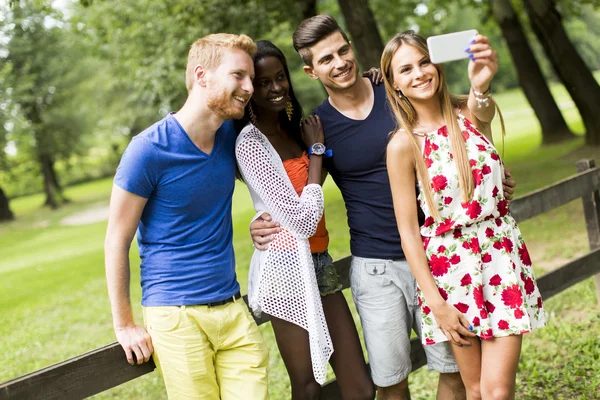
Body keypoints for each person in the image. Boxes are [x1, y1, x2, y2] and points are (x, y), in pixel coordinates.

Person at [251, 15, 516, 400]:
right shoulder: (317, 128)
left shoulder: (397, 94)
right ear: (310, 70)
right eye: (326, 59)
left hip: (441, 257)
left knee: (455, 372)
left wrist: (495, 176)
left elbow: (461, 126)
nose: (340, 62)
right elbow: (296, 191)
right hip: (377, 269)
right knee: (390, 382)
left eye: (343, 50)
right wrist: (261, 223)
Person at [382, 30, 546, 399]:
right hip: (451, 274)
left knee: (497, 390)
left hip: (499, 257)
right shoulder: (402, 145)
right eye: (405, 69)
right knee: (474, 389)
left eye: (424, 62)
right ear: (394, 83)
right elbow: (409, 233)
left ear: (437, 63)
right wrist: (437, 305)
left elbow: (484, 115)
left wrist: (481, 85)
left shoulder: (468, 112)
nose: (419, 73)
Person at [104, 33, 269, 400]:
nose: (249, 87)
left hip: (233, 310)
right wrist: (124, 324)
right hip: (176, 317)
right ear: (202, 75)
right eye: (238, 76)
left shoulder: (231, 135)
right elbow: (117, 238)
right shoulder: (148, 150)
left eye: (251, 79)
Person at [234, 40, 374, 400]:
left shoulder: (301, 128)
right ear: (249, 87)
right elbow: (302, 222)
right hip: (284, 271)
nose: (276, 87)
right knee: (308, 386)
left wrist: (372, 81)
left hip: (320, 262)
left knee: (360, 387)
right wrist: (315, 152)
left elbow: (319, 174)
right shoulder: (249, 143)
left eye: (280, 77)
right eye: (263, 82)